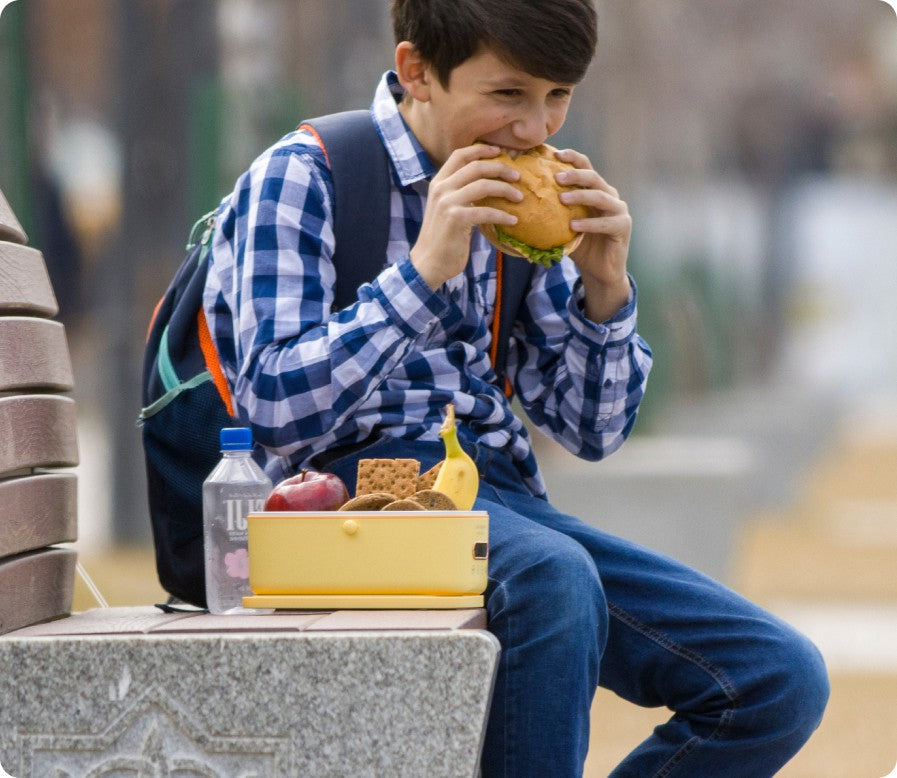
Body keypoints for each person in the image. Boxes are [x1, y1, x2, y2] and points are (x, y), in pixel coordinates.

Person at [203, 0, 829, 774]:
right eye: (508, 95)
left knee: (776, 681)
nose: (535, 129)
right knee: (554, 578)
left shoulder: (518, 213)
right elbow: (268, 406)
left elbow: (589, 432)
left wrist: (604, 291)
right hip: (344, 500)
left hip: (493, 500)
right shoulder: (304, 176)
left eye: (556, 96)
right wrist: (424, 272)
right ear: (416, 73)